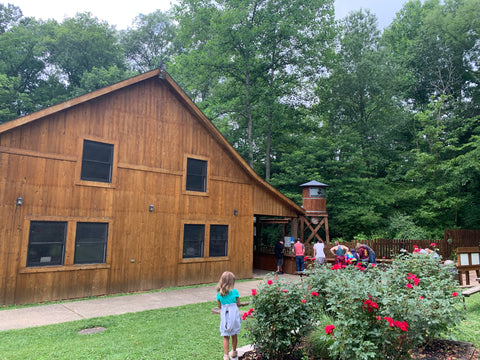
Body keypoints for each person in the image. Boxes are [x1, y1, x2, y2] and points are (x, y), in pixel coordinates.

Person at [216, 271, 242, 360]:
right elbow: (238, 303)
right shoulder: (235, 292)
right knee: (234, 334)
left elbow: (219, 306)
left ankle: (226, 355)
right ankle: (234, 352)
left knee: (225, 336)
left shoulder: (219, 294)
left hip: (225, 317)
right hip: (234, 316)